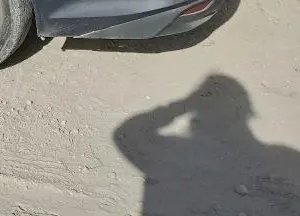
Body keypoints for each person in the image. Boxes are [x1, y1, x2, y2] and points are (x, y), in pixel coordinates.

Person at [114, 74, 300, 215]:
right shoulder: (287, 158)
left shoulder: (173, 150)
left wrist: (183, 104)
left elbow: (125, 134)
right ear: (246, 114)